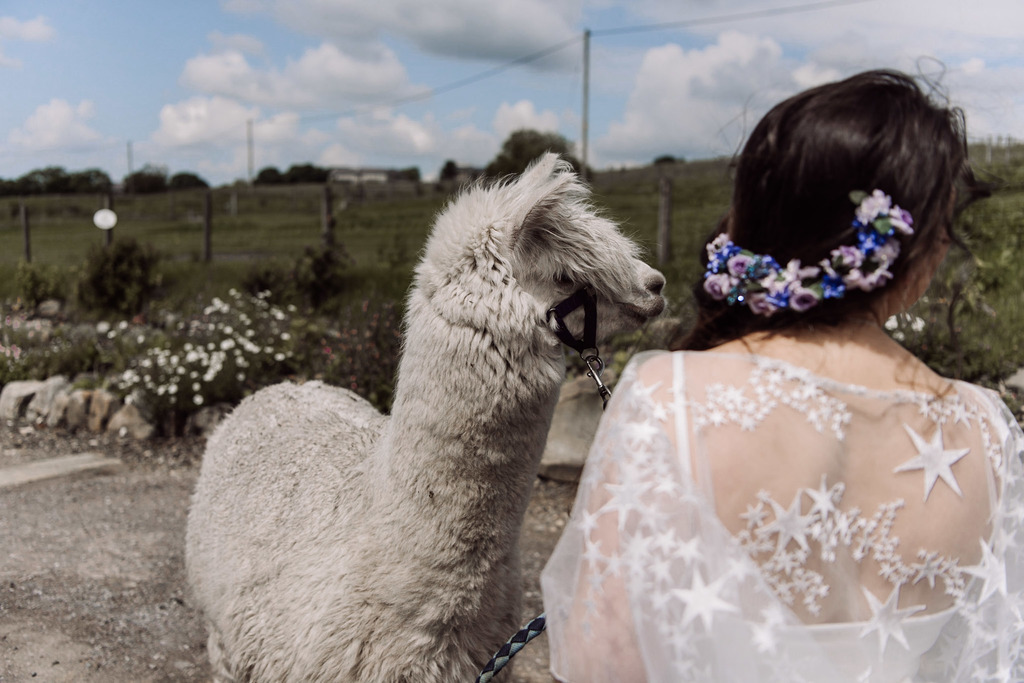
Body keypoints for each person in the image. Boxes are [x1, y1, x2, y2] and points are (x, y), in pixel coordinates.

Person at [540, 70, 1024, 682]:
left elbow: (602, 661)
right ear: (919, 252)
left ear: (756, 224)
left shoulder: (672, 401)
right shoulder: (988, 435)